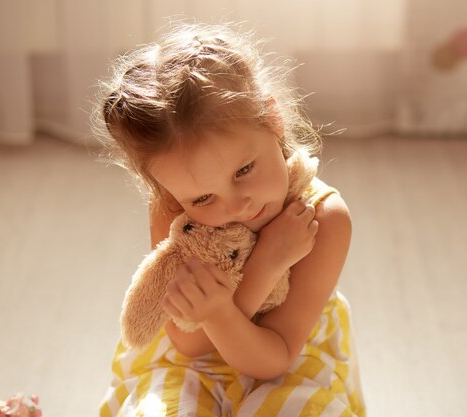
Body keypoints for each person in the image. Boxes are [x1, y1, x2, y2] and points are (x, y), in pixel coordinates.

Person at [94, 21, 365, 417]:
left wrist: (221, 307)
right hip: (188, 362)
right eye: (203, 197)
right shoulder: (173, 211)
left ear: (272, 120)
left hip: (287, 363)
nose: (237, 205)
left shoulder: (323, 217)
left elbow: (275, 358)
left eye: (243, 171)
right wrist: (266, 264)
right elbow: (190, 343)